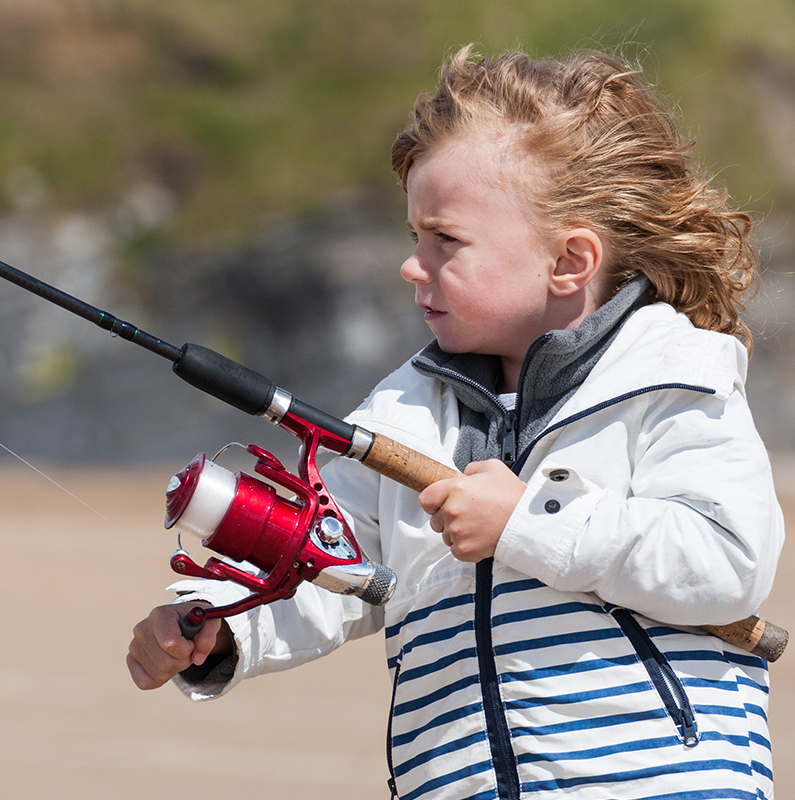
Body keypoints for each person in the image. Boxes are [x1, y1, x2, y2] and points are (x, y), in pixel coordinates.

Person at [126, 45, 785, 799]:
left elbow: (729, 562)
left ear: (569, 261)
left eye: (447, 241)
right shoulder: (402, 410)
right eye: (414, 238)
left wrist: (528, 521)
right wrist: (223, 625)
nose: (413, 264)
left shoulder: (669, 376)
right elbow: (325, 565)